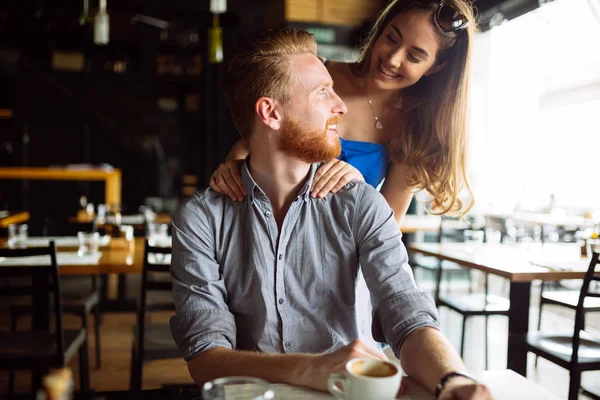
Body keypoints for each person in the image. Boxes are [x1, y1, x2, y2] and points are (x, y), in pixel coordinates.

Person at [170, 28, 490, 399]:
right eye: (323, 92)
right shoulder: (201, 220)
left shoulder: (362, 204)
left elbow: (406, 312)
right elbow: (205, 357)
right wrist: (311, 368)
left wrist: (453, 379)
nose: (340, 106)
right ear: (270, 113)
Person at [209, 0, 477, 224]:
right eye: (391, 38)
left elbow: (386, 227)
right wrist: (233, 169)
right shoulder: (317, 74)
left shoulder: (415, 127)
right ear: (380, 30)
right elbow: (251, 143)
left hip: (340, 260)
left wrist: (358, 186)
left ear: (436, 67)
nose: (393, 59)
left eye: (414, 57)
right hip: (267, 231)